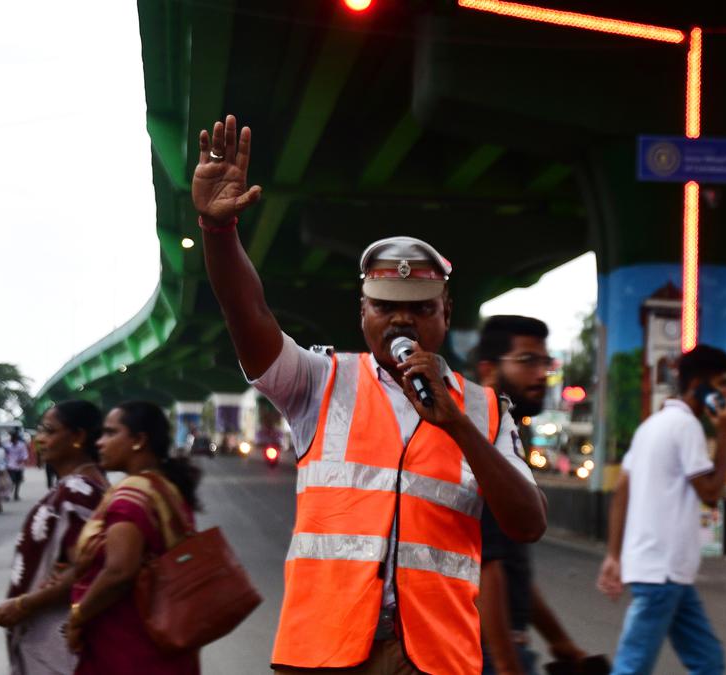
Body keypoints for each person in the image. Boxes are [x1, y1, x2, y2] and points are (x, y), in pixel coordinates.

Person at [190, 114, 546, 674]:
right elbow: (249, 312)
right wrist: (218, 233)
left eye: (421, 308)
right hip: (325, 651)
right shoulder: (317, 381)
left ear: (446, 314)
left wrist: (456, 424)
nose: (402, 319)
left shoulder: (483, 410)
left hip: (433, 657)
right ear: (363, 314)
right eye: (385, 306)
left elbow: (528, 523)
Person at [597, 345, 726, 675]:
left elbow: (621, 492)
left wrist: (614, 555)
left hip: (668, 572)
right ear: (699, 386)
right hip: (662, 571)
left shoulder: (651, 425)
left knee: (709, 662)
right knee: (632, 666)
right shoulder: (686, 427)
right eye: (722, 383)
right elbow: (711, 493)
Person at [474, 315, 589, 674]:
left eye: (545, 363)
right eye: (527, 361)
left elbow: (510, 564)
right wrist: (508, 666)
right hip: (487, 654)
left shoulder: (504, 434)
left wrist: (558, 639)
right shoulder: (483, 440)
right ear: (489, 371)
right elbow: (486, 567)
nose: (541, 374)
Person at [66, 401, 203, 674]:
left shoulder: (130, 498)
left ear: (139, 440)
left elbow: (119, 571)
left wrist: (77, 617)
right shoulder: (164, 487)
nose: (100, 443)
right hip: (165, 640)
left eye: (110, 433)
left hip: (128, 645)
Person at [0, 401, 109, 675]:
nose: (40, 439)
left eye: (49, 431)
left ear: (78, 437)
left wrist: (23, 604)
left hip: (57, 639)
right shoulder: (79, 485)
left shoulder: (79, 492)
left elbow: (87, 570)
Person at [7, 431, 30, 501]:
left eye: (13, 439)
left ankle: (16, 494)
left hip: (19, 466)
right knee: (11, 481)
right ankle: (7, 494)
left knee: (18, 481)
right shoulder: (8, 446)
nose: (11, 440)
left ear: (16, 439)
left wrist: (22, 459)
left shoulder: (21, 445)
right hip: (10, 466)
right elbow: (5, 454)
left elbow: (25, 455)